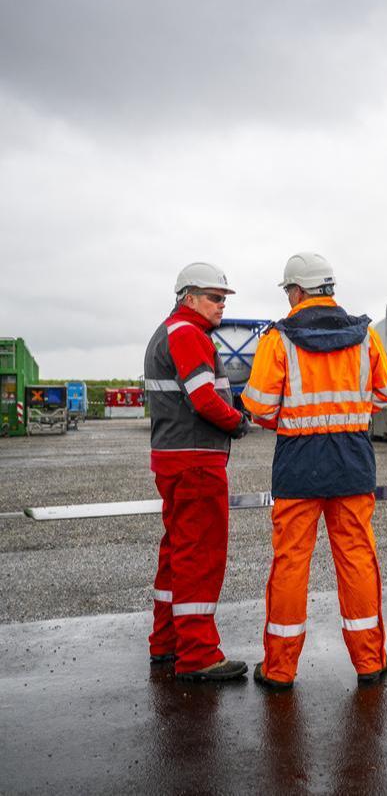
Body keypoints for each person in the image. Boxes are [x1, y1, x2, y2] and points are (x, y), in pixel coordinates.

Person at [240, 252, 387, 689]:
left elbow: (257, 407)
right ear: (329, 289)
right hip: (352, 460)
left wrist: (291, 417)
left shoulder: (279, 338)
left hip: (298, 464)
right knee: (357, 559)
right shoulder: (365, 337)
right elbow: (385, 395)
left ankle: (279, 670)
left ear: (295, 291)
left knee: (291, 564)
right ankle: (370, 662)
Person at [144, 262, 252, 681]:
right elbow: (204, 398)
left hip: (173, 460)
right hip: (196, 464)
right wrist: (237, 422)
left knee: (175, 554)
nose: (221, 305)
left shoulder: (168, 331)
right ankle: (199, 655)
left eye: (223, 298)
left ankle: (166, 642)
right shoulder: (189, 334)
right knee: (199, 557)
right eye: (214, 297)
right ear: (188, 297)